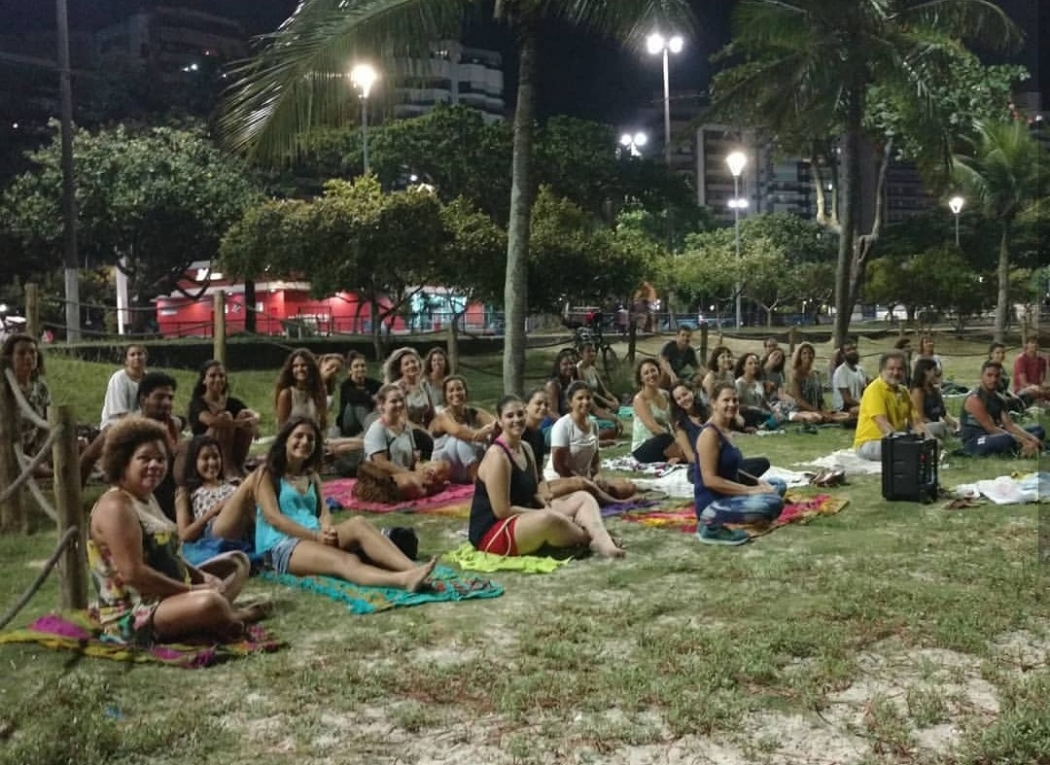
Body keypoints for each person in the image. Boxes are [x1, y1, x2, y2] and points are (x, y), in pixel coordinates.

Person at [87, 416, 266, 644]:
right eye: (144, 458)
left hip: (168, 592)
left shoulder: (146, 497)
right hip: (134, 612)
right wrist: (191, 589)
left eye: (160, 459)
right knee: (209, 602)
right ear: (123, 462)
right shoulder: (116, 506)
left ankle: (211, 613)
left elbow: (170, 554)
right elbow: (134, 574)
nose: (154, 465)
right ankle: (230, 615)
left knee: (238, 561)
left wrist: (200, 576)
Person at [254, 416, 438, 590]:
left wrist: (326, 529)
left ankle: (414, 569)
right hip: (281, 544)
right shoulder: (267, 474)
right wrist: (316, 537)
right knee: (346, 560)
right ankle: (403, 580)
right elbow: (274, 518)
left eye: (310, 438)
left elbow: (323, 512)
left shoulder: (311, 476)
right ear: (285, 440)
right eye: (298, 436)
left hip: (314, 534)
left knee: (359, 523)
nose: (304, 442)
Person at [468, 395, 625, 558]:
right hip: (494, 530)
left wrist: (548, 507)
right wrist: (553, 514)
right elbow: (502, 511)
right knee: (550, 519)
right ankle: (592, 539)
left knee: (583, 497)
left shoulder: (526, 447)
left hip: (524, 515)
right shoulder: (497, 456)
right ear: (500, 421)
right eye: (510, 416)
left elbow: (535, 492)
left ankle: (602, 539)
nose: (517, 420)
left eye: (520, 414)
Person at [80, 372, 184, 520]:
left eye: (170, 398)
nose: (167, 403)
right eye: (160, 397)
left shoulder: (174, 426)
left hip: (169, 505)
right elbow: (87, 459)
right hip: (132, 507)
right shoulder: (121, 430)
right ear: (143, 400)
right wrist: (74, 500)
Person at [693, 383, 786, 547]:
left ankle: (752, 502)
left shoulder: (725, 430)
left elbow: (733, 470)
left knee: (778, 484)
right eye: (726, 400)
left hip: (731, 495)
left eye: (735, 400)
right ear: (713, 403)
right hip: (712, 503)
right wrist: (751, 491)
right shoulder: (709, 434)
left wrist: (758, 482)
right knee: (773, 502)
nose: (732, 404)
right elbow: (710, 480)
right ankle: (710, 527)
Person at [354, 384, 451, 503]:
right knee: (410, 484)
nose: (399, 404)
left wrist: (423, 470)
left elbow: (413, 460)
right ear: (382, 405)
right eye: (394, 401)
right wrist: (411, 474)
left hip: (406, 474)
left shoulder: (405, 426)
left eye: (401, 400)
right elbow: (381, 463)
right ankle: (429, 488)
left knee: (443, 466)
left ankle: (427, 485)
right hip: (383, 478)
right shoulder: (377, 429)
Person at [175, 435, 259, 564]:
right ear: (194, 461)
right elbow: (184, 535)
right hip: (215, 532)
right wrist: (215, 510)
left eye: (215, 457)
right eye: (205, 458)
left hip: (245, 528)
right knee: (252, 480)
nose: (212, 462)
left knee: (258, 480)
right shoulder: (186, 492)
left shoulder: (232, 483)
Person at [547, 381, 636, 501]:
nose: (585, 402)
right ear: (570, 402)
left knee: (629, 487)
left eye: (588, 398)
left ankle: (599, 495)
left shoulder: (593, 424)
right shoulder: (562, 425)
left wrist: (598, 475)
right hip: (564, 481)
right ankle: (618, 502)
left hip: (587, 481)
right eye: (580, 398)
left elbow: (595, 461)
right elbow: (559, 467)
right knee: (586, 489)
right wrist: (585, 482)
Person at [186, 360, 259, 480]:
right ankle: (227, 469)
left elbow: (254, 414)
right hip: (204, 448)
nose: (218, 379)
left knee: (245, 414)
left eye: (221, 376)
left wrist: (253, 421)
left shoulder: (231, 402)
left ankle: (238, 466)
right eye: (212, 376)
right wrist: (240, 424)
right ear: (204, 380)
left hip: (231, 450)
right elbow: (210, 421)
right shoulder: (197, 403)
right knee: (224, 417)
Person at [959, 362, 1044, 457]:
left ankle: (1023, 448)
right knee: (1008, 438)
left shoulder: (999, 399)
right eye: (989, 375)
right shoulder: (974, 399)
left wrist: (1033, 439)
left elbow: (1010, 425)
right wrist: (1024, 441)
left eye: (997, 376)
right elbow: (991, 428)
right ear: (981, 376)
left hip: (995, 435)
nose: (993, 379)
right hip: (976, 439)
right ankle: (1021, 448)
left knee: (1038, 429)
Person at [853, 351, 926, 461]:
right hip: (871, 442)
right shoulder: (875, 389)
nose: (896, 373)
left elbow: (916, 422)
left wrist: (930, 441)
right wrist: (903, 444)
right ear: (881, 370)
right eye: (891, 369)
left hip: (895, 439)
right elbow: (882, 423)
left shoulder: (904, 391)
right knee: (910, 451)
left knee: (929, 442)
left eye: (900, 369)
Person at [1, 332, 51, 477]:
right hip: (7, 450)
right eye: (21, 353)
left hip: (33, 449)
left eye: (32, 352)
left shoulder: (40, 388)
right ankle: (49, 473)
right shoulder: (4, 389)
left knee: (77, 443)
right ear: (10, 357)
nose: (28, 357)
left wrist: (41, 450)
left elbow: (46, 425)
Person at [429, 375, 496, 484]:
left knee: (489, 442)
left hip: (468, 466)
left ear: (465, 392)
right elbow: (458, 432)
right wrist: (482, 434)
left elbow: (495, 424)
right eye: (451, 390)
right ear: (445, 395)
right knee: (460, 440)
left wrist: (488, 434)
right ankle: (478, 481)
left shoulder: (473, 412)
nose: (456, 393)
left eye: (459, 389)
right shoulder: (443, 416)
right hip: (447, 469)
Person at [383, 347, 435, 458]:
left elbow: (431, 415)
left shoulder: (424, 384)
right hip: (403, 430)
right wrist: (426, 433)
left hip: (422, 428)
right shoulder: (398, 388)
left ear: (419, 363)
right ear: (401, 369)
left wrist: (432, 429)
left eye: (413, 361)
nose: (411, 365)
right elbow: (404, 421)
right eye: (406, 364)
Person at [631, 359, 685, 463]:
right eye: (646, 373)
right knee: (665, 438)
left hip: (667, 442)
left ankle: (676, 457)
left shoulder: (666, 394)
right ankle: (687, 457)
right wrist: (675, 440)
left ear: (659, 372)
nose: (651, 375)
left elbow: (674, 421)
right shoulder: (640, 399)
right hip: (644, 447)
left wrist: (681, 437)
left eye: (653, 370)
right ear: (641, 379)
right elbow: (653, 428)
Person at [576, 341, 622, 441]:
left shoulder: (592, 369)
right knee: (612, 425)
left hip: (597, 400)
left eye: (593, 351)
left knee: (616, 405)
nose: (592, 353)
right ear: (581, 354)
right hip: (589, 403)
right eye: (588, 351)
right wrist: (608, 403)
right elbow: (589, 393)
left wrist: (614, 400)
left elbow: (604, 390)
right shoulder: (579, 369)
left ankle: (605, 416)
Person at [275, 348, 328, 432]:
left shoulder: (320, 392)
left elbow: (323, 424)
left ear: (311, 367)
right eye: (295, 366)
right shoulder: (286, 394)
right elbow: (282, 428)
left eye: (303, 365)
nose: (299, 369)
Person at [99, 344, 147, 431]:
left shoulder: (149, 378)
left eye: (140, 354)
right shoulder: (119, 378)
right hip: (115, 424)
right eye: (132, 355)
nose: (137, 357)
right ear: (126, 361)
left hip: (143, 421)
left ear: (145, 357)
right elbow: (121, 414)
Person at [669, 382, 709, 484]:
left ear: (692, 392)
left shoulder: (708, 412)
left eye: (685, 394)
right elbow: (690, 456)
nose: (683, 399)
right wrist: (711, 463)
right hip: (698, 466)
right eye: (678, 398)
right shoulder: (680, 424)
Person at [909, 358, 958, 442]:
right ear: (926, 371)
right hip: (922, 427)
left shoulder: (934, 389)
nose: (936, 373)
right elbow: (920, 418)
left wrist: (954, 423)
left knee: (956, 422)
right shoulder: (918, 392)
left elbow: (943, 413)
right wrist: (938, 424)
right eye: (934, 370)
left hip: (936, 424)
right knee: (940, 427)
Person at [337, 351, 381, 437]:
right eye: (356, 366)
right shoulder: (346, 385)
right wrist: (372, 398)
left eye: (363, 366)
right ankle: (373, 433)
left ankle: (369, 432)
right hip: (349, 423)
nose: (360, 369)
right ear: (350, 371)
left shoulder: (372, 383)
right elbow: (354, 396)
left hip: (367, 419)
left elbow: (385, 389)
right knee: (357, 404)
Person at [734, 352, 780, 429]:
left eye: (756, 363)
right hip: (747, 414)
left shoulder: (758, 383)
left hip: (760, 413)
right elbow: (736, 404)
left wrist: (774, 410)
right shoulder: (739, 383)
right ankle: (762, 426)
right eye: (750, 363)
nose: (754, 366)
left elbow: (764, 401)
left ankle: (763, 426)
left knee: (778, 417)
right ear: (743, 367)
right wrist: (750, 407)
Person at [544, 348, 579, 432]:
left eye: (571, 363)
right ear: (558, 366)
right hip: (553, 425)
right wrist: (569, 425)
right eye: (565, 364)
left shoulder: (573, 383)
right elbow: (552, 413)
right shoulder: (553, 385)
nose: (569, 366)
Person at [988, 343, 1028, 414]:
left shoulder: (1000, 367)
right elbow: (989, 391)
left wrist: (1014, 397)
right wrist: (1006, 399)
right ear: (991, 354)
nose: (1001, 355)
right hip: (992, 400)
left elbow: (1004, 388)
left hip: (1002, 397)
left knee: (1023, 397)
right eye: (998, 353)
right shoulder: (989, 369)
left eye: (1003, 353)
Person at [831, 339, 868, 416]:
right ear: (843, 354)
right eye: (848, 350)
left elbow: (864, 392)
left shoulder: (861, 370)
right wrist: (864, 404)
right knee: (870, 409)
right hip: (845, 408)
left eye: (854, 349)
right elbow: (847, 399)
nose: (853, 352)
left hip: (859, 405)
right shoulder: (840, 372)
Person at [1012, 338, 1049, 404]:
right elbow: (1024, 383)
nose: (1034, 344)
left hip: (1038, 388)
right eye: (1032, 342)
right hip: (1023, 389)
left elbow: (1041, 381)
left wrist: (1045, 387)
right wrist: (1038, 389)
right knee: (1033, 392)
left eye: (1036, 343)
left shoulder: (1042, 360)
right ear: (1026, 345)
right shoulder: (1021, 359)